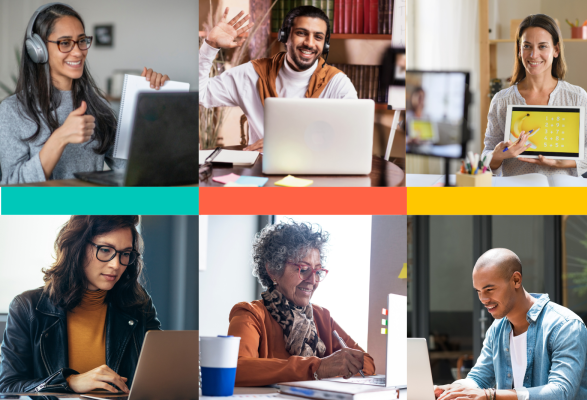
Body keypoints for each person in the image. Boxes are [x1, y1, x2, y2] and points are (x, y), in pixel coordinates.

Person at [0, 3, 170, 184]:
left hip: (92, 211)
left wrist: (152, 107)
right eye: (65, 43)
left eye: (81, 41)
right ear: (38, 50)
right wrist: (60, 138)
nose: (78, 52)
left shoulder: (97, 108)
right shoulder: (12, 111)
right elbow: (10, 190)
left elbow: (132, 172)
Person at [0, 215, 160, 394]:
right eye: (106, 250)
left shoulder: (138, 303)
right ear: (77, 247)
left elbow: (161, 372)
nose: (116, 264)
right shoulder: (27, 307)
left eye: (125, 253)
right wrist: (69, 381)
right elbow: (8, 387)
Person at [434, 248, 587, 400]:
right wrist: (451, 389)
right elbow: (479, 378)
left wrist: (490, 395)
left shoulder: (565, 326)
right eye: (478, 291)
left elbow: (562, 391)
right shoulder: (497, 330)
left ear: (516, 280)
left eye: (489, 289)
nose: (483, 299)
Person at [227, 221, 375, 386]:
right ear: (273, 270)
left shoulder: (322, 317)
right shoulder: (250, 314)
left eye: (317, 271)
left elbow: (367, 363)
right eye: (303, 269)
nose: (313, 280)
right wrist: (319, 368)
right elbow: (234, 369)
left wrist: (345, 364)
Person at [199, 6, 357, 152]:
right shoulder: (252, 74)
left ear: (325, 44)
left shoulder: (337, 83)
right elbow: (201, 93)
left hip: (315, 171)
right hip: (261, 170)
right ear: (285, 36)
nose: (310, 43)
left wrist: (283, 143)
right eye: (301, 33)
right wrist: (210, 46)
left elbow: (352, 137)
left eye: (318, 37)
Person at [482, 14, 587, 177]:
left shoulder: (576, 96)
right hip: (517, 192)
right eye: (527, 46)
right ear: (519, 50)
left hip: (562, 191)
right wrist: (497, 156)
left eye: (542, 46)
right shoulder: (502, 100)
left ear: (556, 50)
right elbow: (486, 154)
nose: (533, 55)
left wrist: (562, 162)